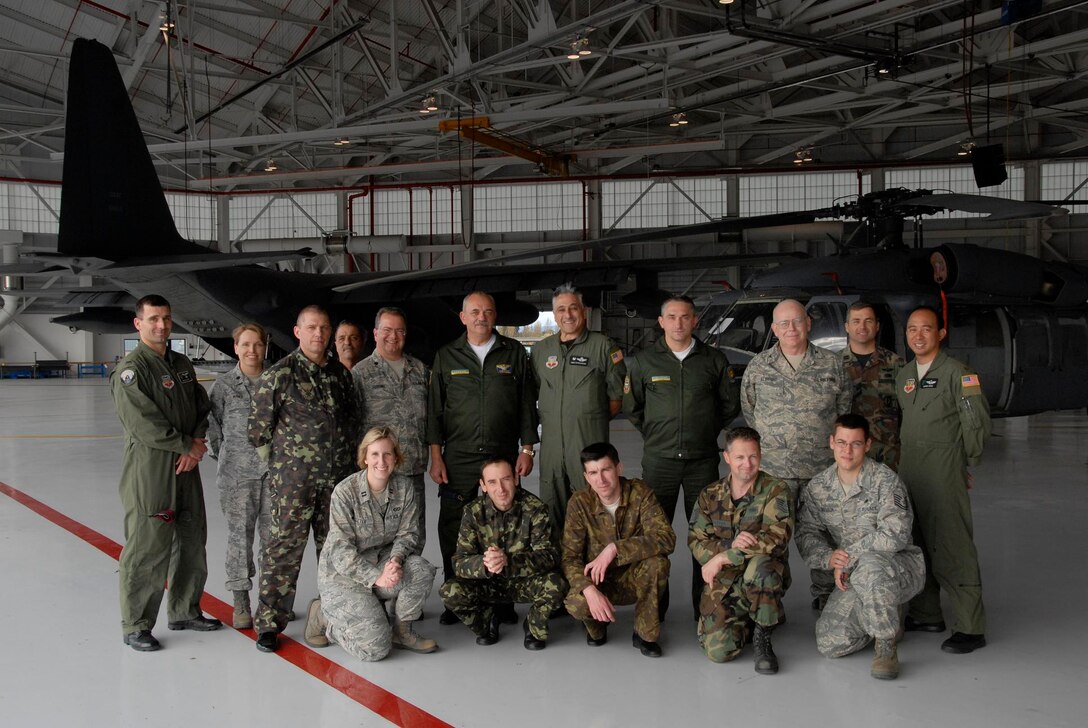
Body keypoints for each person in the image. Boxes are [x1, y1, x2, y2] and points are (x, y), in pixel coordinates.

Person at [110, 294, 220, 652]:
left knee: (191, 537)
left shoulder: (182, 364)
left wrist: (198, 441)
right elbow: (143, 423)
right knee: (148, 545)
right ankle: (137, 624)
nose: (161, 326)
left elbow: (202, 406)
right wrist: (185, 445)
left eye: (167, 319)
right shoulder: (131, 370)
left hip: (185, 466)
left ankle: (185, 609)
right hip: (151, 468)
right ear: (138, 323)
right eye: (154, 319)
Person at [249, 305, 360, 653]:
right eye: (311, 328)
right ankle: (269, 624)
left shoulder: (342, 377)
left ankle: (334, 616)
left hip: (336, 485)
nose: (318, 334)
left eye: (324, 328)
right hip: (293, 486)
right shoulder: (279, 375)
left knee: (336, 553)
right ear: (297, 332)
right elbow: (258, 431)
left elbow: (352, 424)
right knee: (282, 552)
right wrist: (285, 468)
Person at [623, 294, 739, 617]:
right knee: (654, 537)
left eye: (685, 317)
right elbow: (634, 408)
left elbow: (728, 407)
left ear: (695, 321)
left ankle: (705, 607)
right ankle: (654, 609)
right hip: (659, 463)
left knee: (707, 537)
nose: (678, 323)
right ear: (661, 322)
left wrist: (702, 432)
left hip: (702, 462)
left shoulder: (714, 360)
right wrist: (658, 435)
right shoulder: (645, 361)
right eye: (671, 317)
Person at [427, 291, 538, 625]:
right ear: (462, 317)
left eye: (488, 312)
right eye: (474, 312)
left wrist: (527, 448)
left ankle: (501, 598)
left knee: (502, 527)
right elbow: (435, 411)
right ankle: (457, 597)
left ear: (495, 316)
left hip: (502, 453)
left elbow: (526, 404)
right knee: (452, 525)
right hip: (458, 455)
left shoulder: (514, 352)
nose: (481, 317)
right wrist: (436, 456)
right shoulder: (447, 355)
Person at [740, 298, 851, 610]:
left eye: (797, 321)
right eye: (784, 323)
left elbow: (843, 414)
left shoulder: (832, 364)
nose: (791, 328)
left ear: (809, 324)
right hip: (776, 473)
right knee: (772, 540)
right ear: (774, 328)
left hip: (822, 472)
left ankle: (827, 601)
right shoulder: (759, 367)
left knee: (826, 536)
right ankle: (771, 601)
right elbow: (750, 413)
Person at [796, 414, 925, 679]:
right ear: (831, 442)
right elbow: (807, 533)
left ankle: (886, 646)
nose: (847, 450)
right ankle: (885, 614)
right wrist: (829, 557)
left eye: (855, 444)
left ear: (867, 445)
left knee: (869, 564)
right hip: (851, 574)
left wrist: (850, 556)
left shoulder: (885, 481)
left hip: (896, 568)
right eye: (841, 442)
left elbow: (896, 533)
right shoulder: (818, 487)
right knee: (830, 642)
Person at [896, 306, 991, 654]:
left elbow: (975, 422)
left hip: (944, 469)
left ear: (941, 332)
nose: (918, 335)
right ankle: (926, 613)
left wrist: (965, 461)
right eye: (911, 329)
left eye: (926, 329)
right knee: (915, 541)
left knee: (953, 544)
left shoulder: (958, 374)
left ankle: (970, 626)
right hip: (910, 469)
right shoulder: (905, 375)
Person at [310, 428, 437, 661]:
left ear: (396, 458)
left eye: (388, 454)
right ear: (365, 457)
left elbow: (408, 533)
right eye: (375, 454)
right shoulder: (345, 492)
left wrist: (395, 561)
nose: (382, 461)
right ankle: (325, 617)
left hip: (383, 564)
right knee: (375, 650)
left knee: (421, 570)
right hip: (344, 575)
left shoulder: (404, 488)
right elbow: (340, 551)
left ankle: (402, 632)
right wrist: (376, 577)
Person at [689, 427, 793, 674]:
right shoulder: (710, 495)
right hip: (726, 580)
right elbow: (696, 539)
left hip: (762, 575)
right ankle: (757, 614)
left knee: (761, 567)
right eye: (740, 457)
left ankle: (763, 637)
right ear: (727, 457)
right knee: (718, 652)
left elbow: (777, 538)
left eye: (753, 456)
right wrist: (728, 546)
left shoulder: (776, 490)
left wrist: (726, 556)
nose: (747, 464)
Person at [562, 442, 676, 658]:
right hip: (599, 581)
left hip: (634, 577)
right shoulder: (579, 503)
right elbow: (570, 557)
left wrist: (615, 548)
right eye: (593, 473)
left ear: (619, 468)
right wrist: (588, 589)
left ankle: (645, 634)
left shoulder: (640, 493)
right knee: (577, 603)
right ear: (586, 477)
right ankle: (598, 626)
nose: (601, 479)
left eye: (606, 470)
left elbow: (666, 538)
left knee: (657, 564)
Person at [439, 458, 566, 650]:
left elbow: (549, 556)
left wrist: (509, 561)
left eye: (506, 479)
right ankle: (487, 619)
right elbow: (459, 562)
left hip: (523, 581)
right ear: (483, 486)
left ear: (515, 479)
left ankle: (533, 625)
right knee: (449, 592)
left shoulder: (535, 508)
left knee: (557, 585)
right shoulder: (473, 512)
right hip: (487, 582)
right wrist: (485, 563)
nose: (501, 488)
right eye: (492, 482)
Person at [530, 283, 626, 534]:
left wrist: (586, 420)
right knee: (552, 515)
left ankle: (594, 571)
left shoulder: (604, 347)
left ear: (584, 311)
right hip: (551, 451)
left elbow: (616, 399)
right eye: (561, 309)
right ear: (554, 314)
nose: (568, 314)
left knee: (593, 516)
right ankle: (560, 571)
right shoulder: (541, 351)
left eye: (573, 308)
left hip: (588, 448)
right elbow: (536, 391)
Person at [207, 323, 271, 629]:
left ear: (265, 346)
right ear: (235, 348)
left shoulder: (275, 380)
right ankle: (242, 602)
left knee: (274, 541)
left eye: (257, 344)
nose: (252, 351)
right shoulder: (223, 386)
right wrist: (227, 457)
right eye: (245, 345)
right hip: (236, 476)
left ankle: (270, 602)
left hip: (274, 476)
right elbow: (213, 427)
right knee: (239, 540)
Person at [352, 307, 429, 550]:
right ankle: (380, 585)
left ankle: (410, 585)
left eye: (399, 331)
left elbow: (432, 417)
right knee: (376, 536)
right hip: (377, 472)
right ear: (375, 333)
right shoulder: (360, 373)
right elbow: (352, 422)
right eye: (387, 330)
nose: (393, 336)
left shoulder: (420, 371)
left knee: (413, 535)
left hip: (412, 469)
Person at [841, 301, 903, 469]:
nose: (862, 326)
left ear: (877, 326)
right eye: (856, 321)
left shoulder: (896, 364)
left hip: (887, 457)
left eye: (868, 321)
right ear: (847, 326)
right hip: (846, 455)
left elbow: (909, 412)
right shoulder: (832, 365)